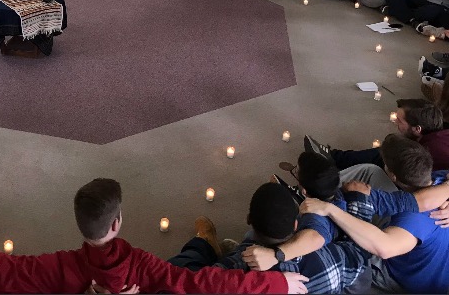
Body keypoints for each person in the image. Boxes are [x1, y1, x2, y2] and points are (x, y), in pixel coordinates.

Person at [0, 178, 306, 294]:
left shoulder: (55, 268)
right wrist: (275, 282)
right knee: (187, 266)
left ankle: (203, 245)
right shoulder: (140, 263)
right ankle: (204, 243)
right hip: (155, 279)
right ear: (118, 222)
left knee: (186, 265)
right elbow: (204, 286)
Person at [300, 134, 449, 293]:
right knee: (371, 171)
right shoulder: (441, 178)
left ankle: (306, 211)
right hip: (418, 249)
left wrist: (330, 210)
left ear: (392, 175)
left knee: (345, 247)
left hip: (396, 277)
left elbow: (384, 248)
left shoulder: (412, 220)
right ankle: (319, 191)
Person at [169, 183, 371, 293]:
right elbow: (362, 252)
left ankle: (204, 244)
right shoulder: (329, 259)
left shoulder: (237, 264)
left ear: (249, 219)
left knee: (183, 266)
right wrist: (359, 201)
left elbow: (199, 283)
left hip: (234, 262)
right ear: (295, 224)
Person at [305, 99, 449, 172]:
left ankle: (333, 160)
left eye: (399, 121)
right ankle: (335, 158)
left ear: (417, 129)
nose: (395, 123)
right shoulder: (438, 133)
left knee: (383, 155)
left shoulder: (433, 149)